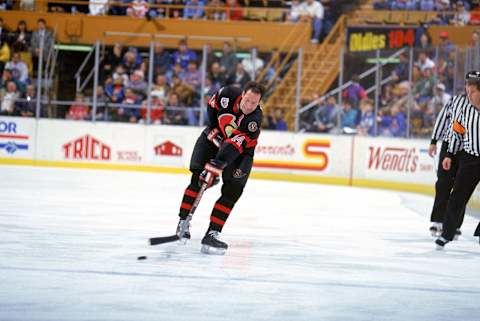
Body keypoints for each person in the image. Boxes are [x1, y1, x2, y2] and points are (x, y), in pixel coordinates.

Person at [174, 81, 264, 255]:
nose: (249, 106)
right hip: (213, 139)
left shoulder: (254, 121)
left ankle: (213, 233)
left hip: (240, 153)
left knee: (233, 191)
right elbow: (212, 106)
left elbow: (234, 145)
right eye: (247, 100)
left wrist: (218, 163)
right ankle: (183, 221)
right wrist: (214, 128)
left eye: (254, 103)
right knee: (197, 180)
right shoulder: (227, 94)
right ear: (242, 94)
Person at [435, 71, 480, 249]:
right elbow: (456, 133)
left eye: (472, 91)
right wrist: (449, 154)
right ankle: (446, 234)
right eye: (467, 90)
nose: (468, 93)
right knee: (457, 198)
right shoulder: (464, 109)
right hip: (469, 159)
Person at [428, 90, 469, 238]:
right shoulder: (454, 101)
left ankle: (454, 224)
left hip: (469, 149)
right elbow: (441, 120)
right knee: (443, 183)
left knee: (462, 187)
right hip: (449, 144)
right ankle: (437, 220)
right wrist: (434, 141)